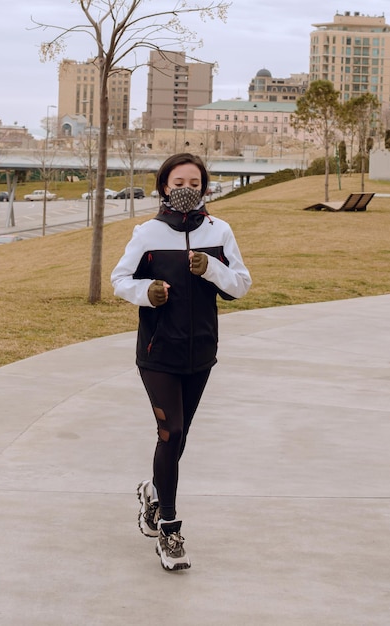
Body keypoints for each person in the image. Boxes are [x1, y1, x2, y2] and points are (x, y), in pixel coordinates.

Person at [111, 153, 251, 571]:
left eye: (194, 180)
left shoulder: (219, 230)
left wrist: (211, 268)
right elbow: (120, 279)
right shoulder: (147, 233)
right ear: (164, 186)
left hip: (201, 352)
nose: (186, 187)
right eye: (177, 181)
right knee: (170, 430)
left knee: (180, 433)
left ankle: (154, 492)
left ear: (205, 187)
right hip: (157, 352)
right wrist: (145, 292)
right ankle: (169, 529)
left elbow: (241, 285)